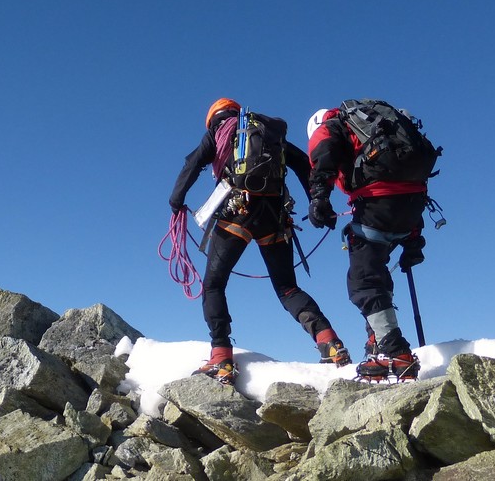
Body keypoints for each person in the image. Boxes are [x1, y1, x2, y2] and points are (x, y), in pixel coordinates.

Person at [169, 98, 351, 383]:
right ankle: (330, 342)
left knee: (214, 285)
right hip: (275, 216)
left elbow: (192, 164)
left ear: (213, 118)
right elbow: (303, 163)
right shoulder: (269, 134)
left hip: (236, 213)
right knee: (288, 288)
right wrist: (316, 201)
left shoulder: (219, 132)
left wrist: (176, 201)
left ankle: (221, 357)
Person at [305, 105, 429, 381]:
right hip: (411, 204)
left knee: (363, 281)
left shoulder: (329, 126)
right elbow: (408, 184)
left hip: (377, 201)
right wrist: (413, 242)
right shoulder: (379, 124)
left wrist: (319, 199)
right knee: (376, 271)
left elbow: (322, 156)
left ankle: (396, 353)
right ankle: (376, 342)